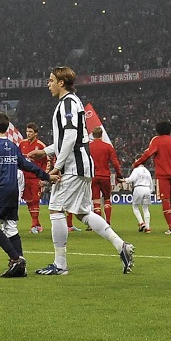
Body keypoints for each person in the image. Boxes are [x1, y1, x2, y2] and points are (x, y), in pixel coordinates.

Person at [36, 67, 135, 277]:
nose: (48, 84)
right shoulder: (73, 102)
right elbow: (70, 138)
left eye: (51, 80)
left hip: (73, 166)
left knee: (55, 209)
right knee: (83, 213)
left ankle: (60, 264)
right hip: (81, 165)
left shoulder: (68, 103)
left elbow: (71, 137)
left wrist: (57, 166)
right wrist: (45, 151)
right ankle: (121, 245)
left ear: (61, 82)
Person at [0, 113, 49, 277]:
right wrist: (46, 176)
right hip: (13, 190)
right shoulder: (13, 146)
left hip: (1, 190)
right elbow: (26, 164)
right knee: (11, 226)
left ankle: (16, 259)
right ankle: (21, 269)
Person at [133, 121, 171, 235]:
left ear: (157, 130)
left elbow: (147, 154)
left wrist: (136, 164)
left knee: (165, 200)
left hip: (163, 175)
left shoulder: (157, 141)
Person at [88, 127, 122, 226]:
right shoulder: (108, 147)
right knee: (107, 199)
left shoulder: (89, 147)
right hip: (105, 176)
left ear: (93, 135)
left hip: (93, 176)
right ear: (101, 135)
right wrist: (119, 175)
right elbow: (115, 163)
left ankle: (99, 224)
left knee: (96, 201)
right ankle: (107, 222)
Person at [124, 162, 154, 233]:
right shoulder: (147, 171)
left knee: (135, 206)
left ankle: (141, 222)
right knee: (146, 209)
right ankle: (148, 228)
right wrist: (150, 191)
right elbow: (151, 183)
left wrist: (124, 180)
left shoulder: (136, 170)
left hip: (138, 188)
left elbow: (131, 179)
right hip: (147, 189)